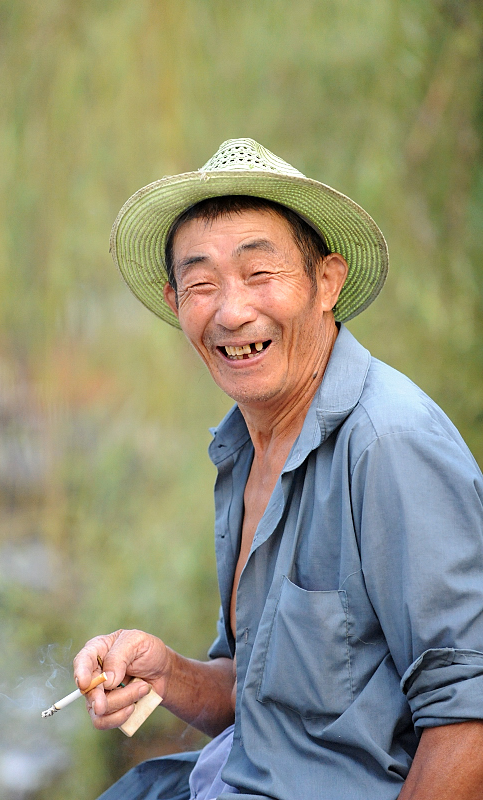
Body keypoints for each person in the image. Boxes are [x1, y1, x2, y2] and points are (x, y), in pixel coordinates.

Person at [73, 139, 483, 800]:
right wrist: (165, 673)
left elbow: (469, 720)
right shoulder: (243, 446)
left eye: (260, 274)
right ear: (176, 303)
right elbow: (261, 699)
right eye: (202, 285)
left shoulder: (390, 443)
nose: (232, 312)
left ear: (327, 283)